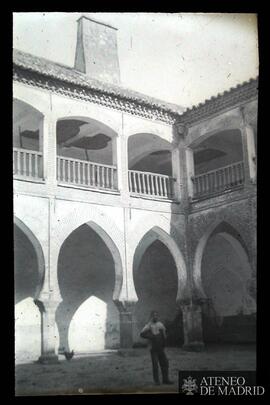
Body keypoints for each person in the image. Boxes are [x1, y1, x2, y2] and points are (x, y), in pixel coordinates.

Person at [140, 310, 173, 386]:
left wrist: (164, 343)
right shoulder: (148, 325)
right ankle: (157, 381)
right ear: (151, 317)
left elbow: (164, 335)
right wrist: (151, 336)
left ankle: (165, 379)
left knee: (165, 363)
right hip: (153, 348)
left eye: (156, 315)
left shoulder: (160, 324)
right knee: (155, 365)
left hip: (161, 348)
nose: (155, 317)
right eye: (153, 315)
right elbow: (141, 334)